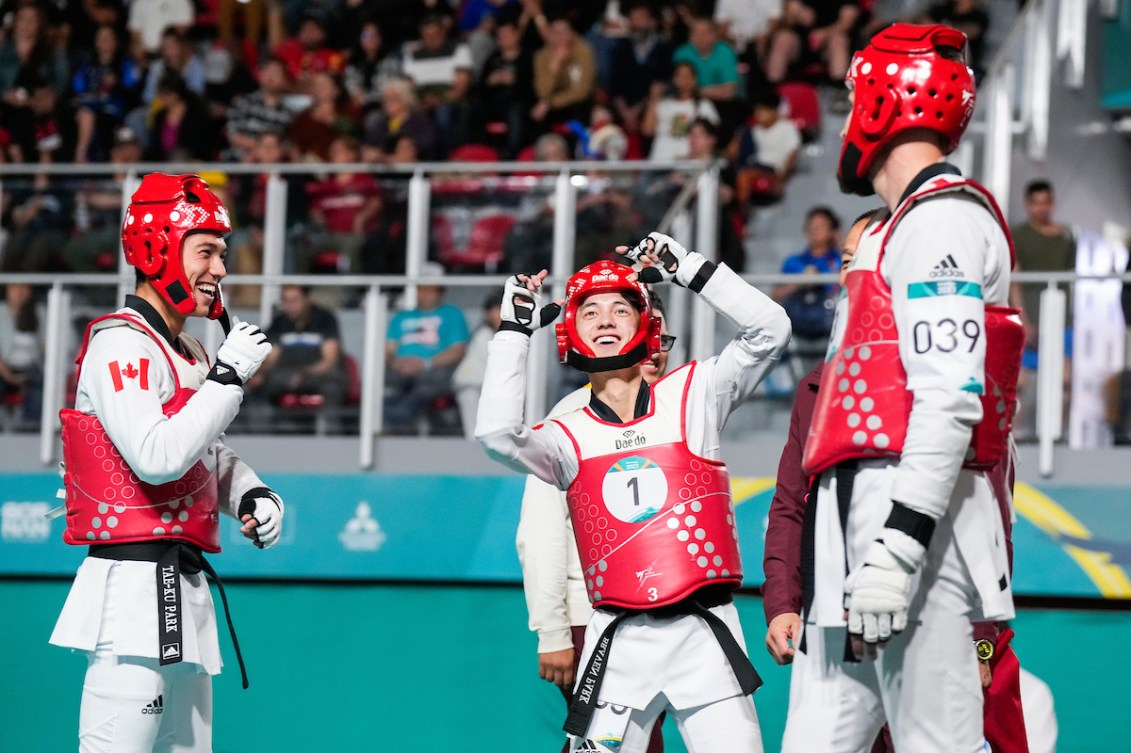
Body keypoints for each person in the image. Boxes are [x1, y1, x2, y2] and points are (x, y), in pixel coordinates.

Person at [780, 24, 1025, 753]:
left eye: (855, 95)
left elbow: (949, 397)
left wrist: (897, 546)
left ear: (884, 101)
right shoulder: (898, 227)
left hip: (908, 531)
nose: (847, 114)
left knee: (935, 742)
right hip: (857, 531)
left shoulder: (941, 219)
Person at [477, 235, 791, 752]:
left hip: (705, 635)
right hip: (616, 647)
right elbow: (495, 436)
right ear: (569, 333)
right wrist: (512, 334)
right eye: (590, 311)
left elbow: (770, 329)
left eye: (620, 308)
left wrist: (688, 267)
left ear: (649, 325)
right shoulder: (565, 434)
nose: (604, 319)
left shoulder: (695, 395)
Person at [48, 173, 282, 753]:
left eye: (222, 254)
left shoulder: (190, 350)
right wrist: (227, 378)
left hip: (185, 585)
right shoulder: (119, 344)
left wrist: (250, 493)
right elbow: (157, 456)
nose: (221, 270)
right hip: (130, 588)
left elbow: (204, 449)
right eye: (206, 251)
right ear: (156, 250)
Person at [516, 291, 675, 753]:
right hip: (595, 623)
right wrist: (553, 632)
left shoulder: (673, 414)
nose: (654, 345)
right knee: (620, 745)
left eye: (662, 335)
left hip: (660, 618)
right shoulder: (568, 418)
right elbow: (539, 534)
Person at [1009, 179, 1076, 441]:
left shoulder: (1066, 236)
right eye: (1035, 203)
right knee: (1020, 384)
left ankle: (1059, 436)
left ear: (1052, 203)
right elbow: (1016, 276)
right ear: (1028, 205)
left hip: (1061, 318)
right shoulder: (1019, 235)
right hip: (1032, 314)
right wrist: (1023, 317)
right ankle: (1013, 438)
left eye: (1045, 202)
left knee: (1065, 381)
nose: (1041, 208)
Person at [247, 284, 348, 433]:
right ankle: (260, 436)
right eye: (286, 301)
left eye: (294, 300)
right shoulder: (280, 322)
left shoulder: (325, 319)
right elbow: (272, 356)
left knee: (333, 387)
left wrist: (304, 373)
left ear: (308, 299)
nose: (289, 306)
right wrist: (261, 373)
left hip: (319, 375)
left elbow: (330, 360)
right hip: (284, 375)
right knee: (255, 390)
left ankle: (332, 438)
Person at [383, 262, 470, 435]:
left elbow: (457, 350)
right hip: (400, 369)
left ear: (439, 291)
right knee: (384, 383)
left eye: (427, 289)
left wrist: (425, 363)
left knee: (425, 386)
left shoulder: (453, 314)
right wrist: (396, 364)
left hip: (436, 369)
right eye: (419, 289)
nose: (421, 294)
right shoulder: (402, 316)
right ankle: (394, 427)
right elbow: (388, 349)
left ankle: (394, 427)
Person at [771, 207, 842, 343]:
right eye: (811, 225)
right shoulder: (793, 262)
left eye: (821, 226)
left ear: (832, 231)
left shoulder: (840, 261)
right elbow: (775, 296)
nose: (815, 230)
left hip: (830, 324)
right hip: (798, 320)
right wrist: (800, 283)